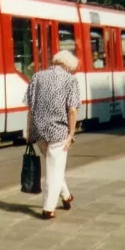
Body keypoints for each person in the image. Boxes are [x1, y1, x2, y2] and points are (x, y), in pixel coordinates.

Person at [25, 49, 81, 220]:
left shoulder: (37, 77)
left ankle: (66, 195)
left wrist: (29, 131)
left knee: (53, 166)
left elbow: (30, 108)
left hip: (39, 130)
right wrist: (71, 134)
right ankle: (48, 208)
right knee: (54, 170)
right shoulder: (70, 80)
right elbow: (72, 111)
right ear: (68, 66)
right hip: (58, 131)